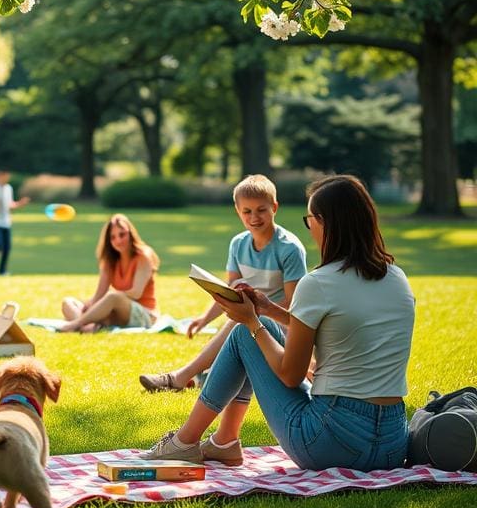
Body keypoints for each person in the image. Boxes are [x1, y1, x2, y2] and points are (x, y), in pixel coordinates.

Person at [140, 175, 415, 471]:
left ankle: (185, 442)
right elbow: (341, 329)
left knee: (245, 334)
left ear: (325, 223)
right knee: (254, 331)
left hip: (330, 443)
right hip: (390, 444)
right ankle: (223, 443)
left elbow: (291, 376)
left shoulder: (320, 282)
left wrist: (252, 321)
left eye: (310, 220)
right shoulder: (397, 279)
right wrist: (269, 309)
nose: (309, 229)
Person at [138, 174, 306, 392]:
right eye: (247, 211)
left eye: (261, 210)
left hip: (281, 326)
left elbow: (293, 302)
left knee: (240, 321)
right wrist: (204, 320)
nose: (254, 217)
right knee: (239, 324)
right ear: (238, 211)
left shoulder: (290, 248)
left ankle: (178, 378)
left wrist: (256, 313)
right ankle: (198, 379)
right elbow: (230, 293)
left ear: (274, 207)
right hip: (250, 320)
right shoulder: (238, 244)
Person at [57, 214, 160, 333]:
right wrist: (91, 306)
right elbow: (100, 294)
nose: (118, 240)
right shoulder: (109, 260)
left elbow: (136, 293)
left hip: (145, 314)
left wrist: (106, 301)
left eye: (122, 235)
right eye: (113, 237)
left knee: (112, 297)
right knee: (68, 302)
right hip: (115, 311)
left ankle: (77, 324)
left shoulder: (144, 256)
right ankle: (87, 327)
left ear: (130, 234)